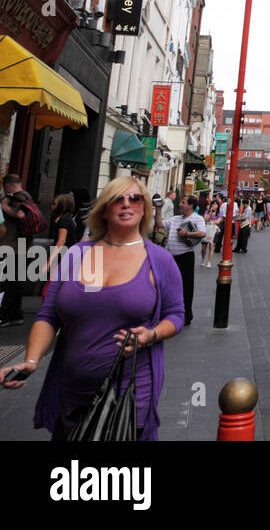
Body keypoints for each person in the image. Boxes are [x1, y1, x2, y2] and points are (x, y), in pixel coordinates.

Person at [1, 176, 184, 440]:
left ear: (144, 208)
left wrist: (152, 334)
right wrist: (31, 361)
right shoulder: (83, 254)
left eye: (134, 198)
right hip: (72, 391)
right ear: (104, 209)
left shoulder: (157, 259)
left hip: (128, 394)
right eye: (117, 198)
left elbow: (175, 314)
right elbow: (50, 314)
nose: (126, 204)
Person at [163, 196, 206, 326]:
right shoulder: (175, 219)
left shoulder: (198, 218)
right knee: (169, 286)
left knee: (186, 287)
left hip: (186, 256)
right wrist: (159, 209)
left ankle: (186, 315)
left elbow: (202, 233)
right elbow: (160, 224)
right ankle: (170, 313)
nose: (180, 204)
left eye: (183, 202)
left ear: (191, 206)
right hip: (171, 257)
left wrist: (187, 234)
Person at [1, 174, 36, 327]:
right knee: (14, 282)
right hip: (22, 245)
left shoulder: (19, 198)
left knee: (8, 282)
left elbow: (20, 215)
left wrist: (4, 207)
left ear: (8, 185)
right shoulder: (28, 197)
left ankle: (6, 315)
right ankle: (15, 315)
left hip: (13, 246)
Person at [44, 193, 83, 279]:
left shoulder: (64, 221)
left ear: (61, 206)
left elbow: (61, 241)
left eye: (54, 204)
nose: (51, 206)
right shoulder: (67, 220)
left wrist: (49, 262)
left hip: (63, 258)